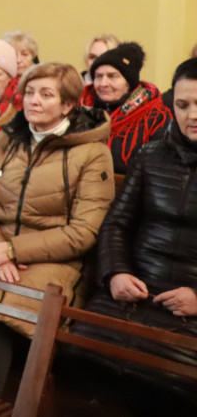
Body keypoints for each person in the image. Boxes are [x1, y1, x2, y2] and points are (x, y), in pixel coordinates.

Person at [0, 62, 114, 397]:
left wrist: (13, 251)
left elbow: (84, 232)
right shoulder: (7, 138)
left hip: (56, 261)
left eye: (46, 95)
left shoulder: (91, 153)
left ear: (67, 105)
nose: (33, 101)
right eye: (29, 92)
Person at [67, 57, 197, 413]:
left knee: (169, 382)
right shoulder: (152, 155)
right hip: (135, 289)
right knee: (79, 354)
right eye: (183, 105)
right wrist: (116, 273)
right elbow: (116, 224)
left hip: (190, 304)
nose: (192, 115)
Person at [81, 41, 172, 174]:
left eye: (112, 76)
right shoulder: (79, 108)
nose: (103, 83)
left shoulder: (155, 117)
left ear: (129, 82)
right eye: (98, 76)